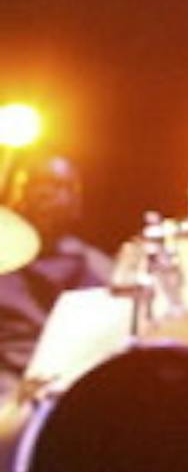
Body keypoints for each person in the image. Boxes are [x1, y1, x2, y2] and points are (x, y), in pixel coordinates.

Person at [0, 153, 111, 411]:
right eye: (37, 183)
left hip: (74, 396)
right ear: (15, 194)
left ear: (77, 199)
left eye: (59, 185)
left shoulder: (100, 269)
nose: (46, 194)